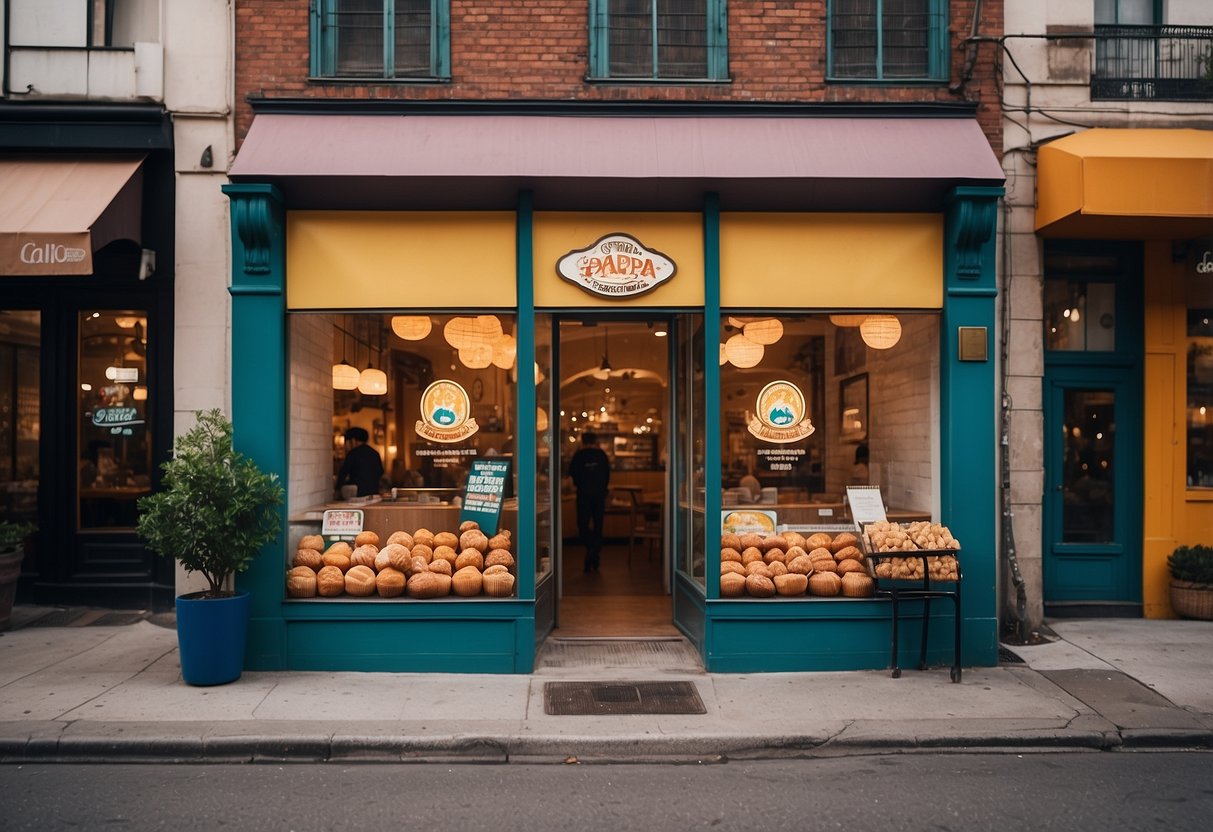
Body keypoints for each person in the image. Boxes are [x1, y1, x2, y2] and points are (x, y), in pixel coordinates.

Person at [569, 431, 611, 572]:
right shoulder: (602, 455)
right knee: (599, 524)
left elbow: (572, 474)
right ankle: (594, 549)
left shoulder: (579, 455)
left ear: (582, 441)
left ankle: (591, 548)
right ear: (595, 441)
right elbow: (607, 475)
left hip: (583, 495)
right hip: (599, 495)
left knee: (582, 525)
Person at [337, 427, 384, 498]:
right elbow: (380, 472)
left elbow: (343, 473)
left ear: (353, 440)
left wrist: (337, 488)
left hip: (357, 494)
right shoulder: (375, 453)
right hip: (374, 493)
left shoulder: (352, 454)